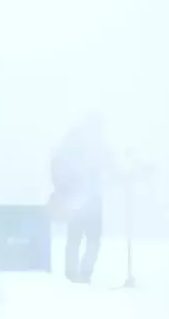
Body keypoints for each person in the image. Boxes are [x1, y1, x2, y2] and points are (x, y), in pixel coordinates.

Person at [50, 114, 118, 284]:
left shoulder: (82, 144)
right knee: (86, 238)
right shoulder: (88, 145)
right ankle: (79, 273)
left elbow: (112, 168)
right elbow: (112, 168)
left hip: (82, 199)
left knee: (80, 238)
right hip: (81, 198)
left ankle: (76, 273)